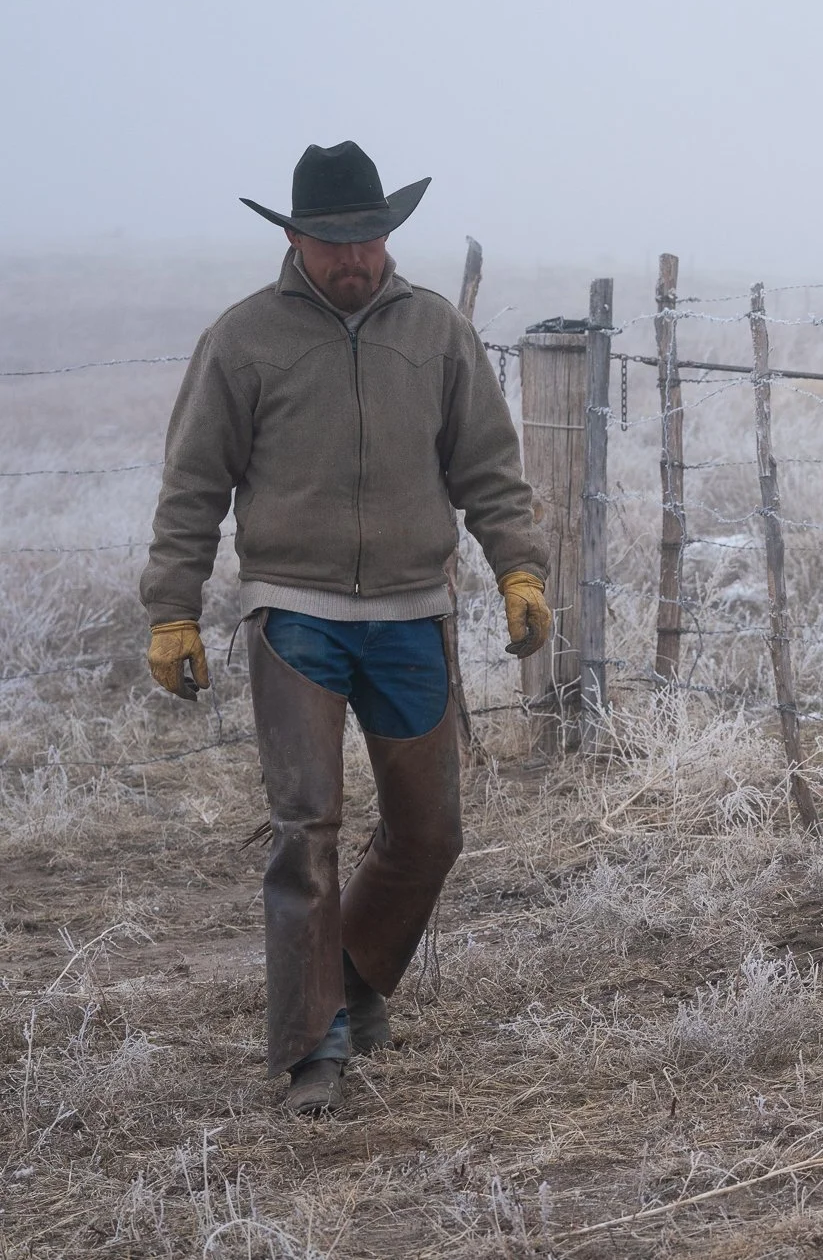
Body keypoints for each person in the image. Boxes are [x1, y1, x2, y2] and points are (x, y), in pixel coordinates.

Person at [139, 142, 554, 1115]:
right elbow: (193, 484)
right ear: (293, 239)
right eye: (331, 242)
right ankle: (311, 1048)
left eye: (366, 238)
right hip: (296, 611)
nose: (352, 258)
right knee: (307, 827)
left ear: (387, 235)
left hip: (413, 611)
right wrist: (172, 608)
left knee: (430, 831)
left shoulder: (437, 334)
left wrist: (518, 568)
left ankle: (357, 978)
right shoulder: (242, 341)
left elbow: (488, 468)